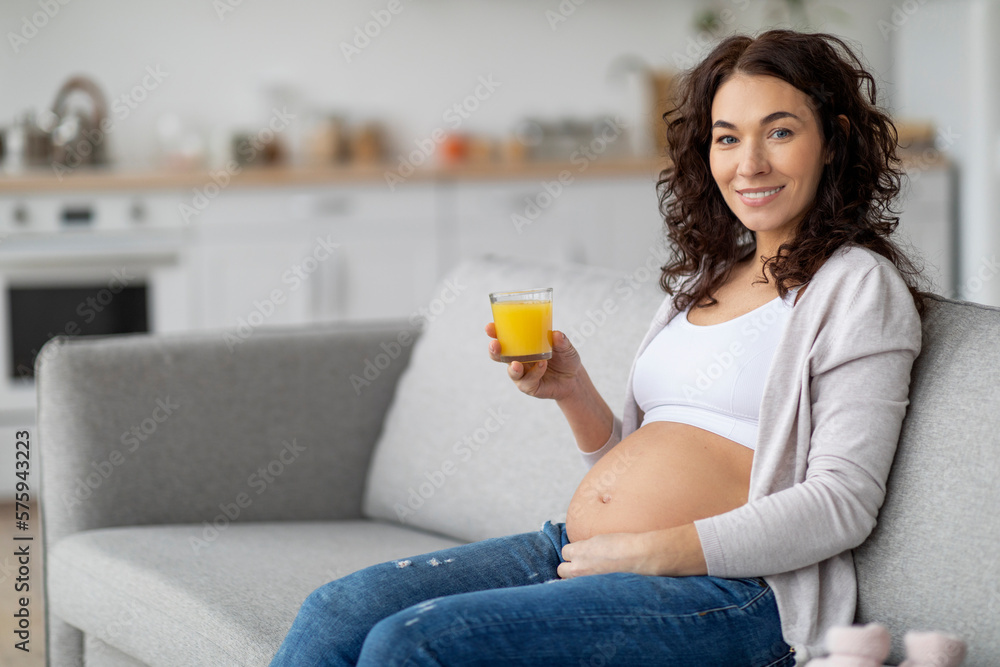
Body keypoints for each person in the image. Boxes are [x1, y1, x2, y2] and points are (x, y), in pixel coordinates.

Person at [270, 29, 926, 666]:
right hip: (583, 546)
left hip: (731, 591)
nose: (748, 163)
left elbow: (841, 502)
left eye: (779, 132)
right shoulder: (705, 278)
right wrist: (573, 390)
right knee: (337, 612)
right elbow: (636, 461)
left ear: (834, 140)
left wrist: (647, 551)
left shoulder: (857, 287)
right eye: (727, 138)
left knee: (412, 642)